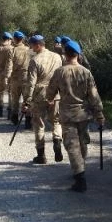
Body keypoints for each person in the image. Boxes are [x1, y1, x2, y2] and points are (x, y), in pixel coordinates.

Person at [47, 40, 104, 192]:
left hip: (67, 115)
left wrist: (50, 99)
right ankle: (81, 167)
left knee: (72, 146)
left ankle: (80, 178)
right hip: (84, 114)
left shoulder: (60, 72)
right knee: (83, 142)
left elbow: (50, 92)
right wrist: (99, 114)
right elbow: (94, 96)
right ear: (78, 55)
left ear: (65, 55)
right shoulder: (86, 72)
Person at [22, 35, 64, 164]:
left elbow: (31, 83)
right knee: (56, 121)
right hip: (56, 94)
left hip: (39, 95)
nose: (31, 47)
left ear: (38, 45)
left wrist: (27, 100)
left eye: (32, 45)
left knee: (39, 124)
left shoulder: (35, 60)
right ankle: (57, 140)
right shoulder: (57, 57)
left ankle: (41, 156)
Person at [9, 31, 30, 126]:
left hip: (15, 77)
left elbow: (9, 65)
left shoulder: (13, 50)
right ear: (22, 39)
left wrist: (8, 78)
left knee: (15, 99)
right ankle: (28, 120)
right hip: (27, 78)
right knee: (27, 99)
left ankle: (15, 117)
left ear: (14, 39)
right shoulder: (29, 50)